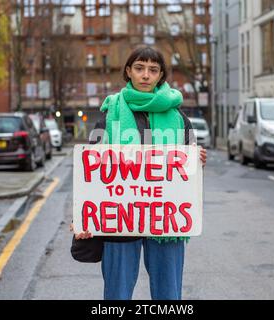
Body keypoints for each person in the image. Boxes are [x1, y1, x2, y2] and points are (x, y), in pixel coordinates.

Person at [72, 47, 207, 300]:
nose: (146, 75)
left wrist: (197, 161)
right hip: (120, 219)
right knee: (117, 295)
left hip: (166, 220)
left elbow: (188, 172)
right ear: (128, 71)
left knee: (168, 295)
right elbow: (91, 167)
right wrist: (83, 218)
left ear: (161, 75)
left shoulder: (179, 117)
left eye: (153, 70)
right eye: (139, 68)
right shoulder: (110, 113)